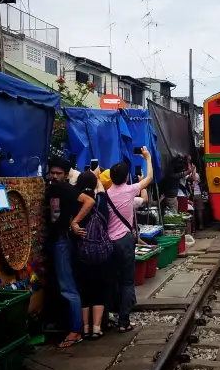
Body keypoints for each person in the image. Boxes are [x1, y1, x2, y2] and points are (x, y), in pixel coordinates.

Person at [46, 156, 95, 348]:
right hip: (58, 240)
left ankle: (76, 330)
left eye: (59, 173)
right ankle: (72, 327)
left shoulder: (65, 189)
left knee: (67, 286)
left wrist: (74, 222)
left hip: (62, 241)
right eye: (53, 173)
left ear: (66, 175)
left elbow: (89, 201)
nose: (55, 176)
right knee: (65, 284)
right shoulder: (53, 189)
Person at [106, 147, 153, 332]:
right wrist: (147, 158)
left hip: (108, 243)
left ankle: (111, 315)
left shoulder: (107, 194)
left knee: (113, 280)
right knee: (127, 281)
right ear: (126, 177)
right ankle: (124, 321)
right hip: (125, 241)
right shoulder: (129, 191)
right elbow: (149, 179)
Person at [74, 171, 109, 340]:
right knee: (99, 289)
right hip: (100, 251)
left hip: (80, 251)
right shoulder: (101, 200)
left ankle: (85, 328)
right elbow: (101, 189)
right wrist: (97, 178)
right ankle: (96, 328)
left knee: (84, 290)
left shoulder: (76, 201)